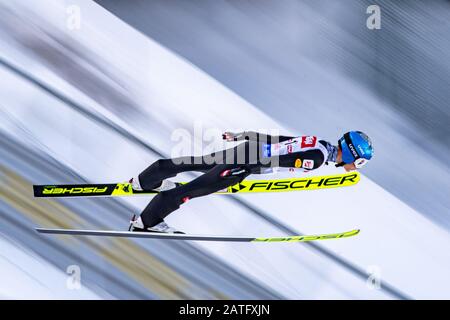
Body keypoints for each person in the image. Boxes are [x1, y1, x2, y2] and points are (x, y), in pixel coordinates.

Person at [128, 130, 374, 233]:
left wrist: (243, 135)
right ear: (352, 153)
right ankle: (146, 222)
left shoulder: (317, 142)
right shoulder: (318, 158)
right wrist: (252, 169)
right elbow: (283, 159)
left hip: (248, 149)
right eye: (359, 162)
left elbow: (275, 138)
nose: (356, 167)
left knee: (194, 162)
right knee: (191, 191)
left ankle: (144, 181)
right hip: (245, 161)